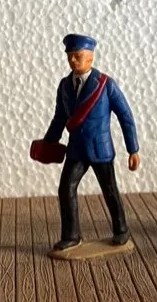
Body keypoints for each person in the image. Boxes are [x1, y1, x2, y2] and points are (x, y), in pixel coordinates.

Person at [44, 34, 140, 251]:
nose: (72, 60)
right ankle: (71, 235)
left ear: (90, 58)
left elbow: (125, 116)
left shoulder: (105, 84)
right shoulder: (64, 85)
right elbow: (60, 117)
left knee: (109, 190)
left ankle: (121, 230)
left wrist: (133, 149)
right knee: (65, 188)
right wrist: (49, 141)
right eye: (69, 56)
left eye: (77, 56)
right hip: (76, 150)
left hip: (100, 149)